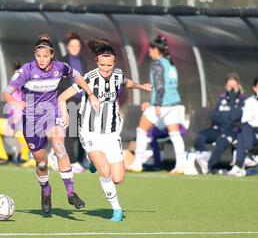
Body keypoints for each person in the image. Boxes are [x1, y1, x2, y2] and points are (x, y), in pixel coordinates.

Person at [2, 34, 100, 214]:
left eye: (45, 56)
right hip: (31, 121)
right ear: (35, 54)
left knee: (59, 146)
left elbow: (78, 77)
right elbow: (7, 92)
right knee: (41, 164)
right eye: (38, 55)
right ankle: (45, 191)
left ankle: (71, 193)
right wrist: (14, 102)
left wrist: (91, 94)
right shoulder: (26, 70)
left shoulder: (60, 67)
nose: (41, 59)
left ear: (52, 55)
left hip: (52, 115)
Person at [58, 39, 152, 222]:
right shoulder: (88, 78)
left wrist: (141, 86)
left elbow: (126, 82)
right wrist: (66, 115)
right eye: (102, 65)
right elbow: (62, 97)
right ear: (96, 62)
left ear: (115, 62)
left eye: (109, 65)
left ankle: (90, 159)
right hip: (90, 132)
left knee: (118, 179)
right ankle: (116, 210)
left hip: (111, 134)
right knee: (105, 172)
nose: (106, 69)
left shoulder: (117, 75)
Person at [127, 35, 186, 174]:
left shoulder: (158, 64)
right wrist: (152, 102)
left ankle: (137, 163)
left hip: (162, 104)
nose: (149, 52)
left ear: (156, 50)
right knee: (175, 134)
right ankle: (181, 166)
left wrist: (156, 104)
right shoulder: (170, 63)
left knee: (141, 129)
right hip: (174, 103)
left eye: (150, 50)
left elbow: (159, 86)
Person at [194, 73, 245, 174]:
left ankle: (208, 166)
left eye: (233, 87)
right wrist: (226, 117)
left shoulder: (242, 100)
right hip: (220, 128)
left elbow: (236, 117)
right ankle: (203, 159)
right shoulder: (221, 99)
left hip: (234, 130)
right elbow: (215, 115)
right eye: (229, 86)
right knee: (200, 136)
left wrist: (232, 99)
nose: (231, 89)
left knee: (223, 139)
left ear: (238, 86)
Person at [0, 61, 33, 166]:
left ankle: (24, 159)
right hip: (13, 124)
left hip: (27, 125)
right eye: (16, 75)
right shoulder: (11, 92)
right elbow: (11, 110)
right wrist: (12, 123)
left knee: (21, 131)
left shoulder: (31, 91)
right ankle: (3, 157)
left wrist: (18, 123)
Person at [54, 31, 88, 173]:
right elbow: (59, 84)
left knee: (79, 133)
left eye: (77, 45)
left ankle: (79, 160)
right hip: (67, 100)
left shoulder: (83, 62)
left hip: (82, 101)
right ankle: (71, 162)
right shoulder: (61, 62)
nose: (75, 47)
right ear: (68, 47)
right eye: (72, 45)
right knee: (69, 132)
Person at [227, 77, 258, 177]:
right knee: (242, 129)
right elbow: (245, 120)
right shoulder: (250, 102)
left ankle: (247, 158)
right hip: (252, 132)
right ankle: (247, 156)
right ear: (254, 88)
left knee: (242, 133)